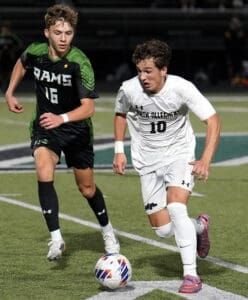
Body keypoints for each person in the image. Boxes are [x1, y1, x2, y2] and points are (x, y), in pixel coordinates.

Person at [5, 4, 119, 261]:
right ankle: (56, 239)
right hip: (46, 125)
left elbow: (88, 108)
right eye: (58, 32)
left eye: (68, 32)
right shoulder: (36, 52)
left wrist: (62, 118)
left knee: (87, 188)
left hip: (76, 129)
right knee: (44, 168)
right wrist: (10, 92)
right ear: (47, 33)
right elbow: (22, 63)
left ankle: (108, 231)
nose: (64, 38)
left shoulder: (79, 62)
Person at [113, 39, 220, 293]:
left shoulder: (182, 88)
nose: (143, 77)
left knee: (175, 206)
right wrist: (119, 150)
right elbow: (120, 114)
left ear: (164, 70)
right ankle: (199, 227)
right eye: (139, 71)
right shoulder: (128, 89)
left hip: (178, 155)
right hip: (146, 161)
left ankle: (191, 275)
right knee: (162, 230)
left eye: (148, 71)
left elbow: (213, 120)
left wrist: (205, 158)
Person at [0, 21, 23, 92]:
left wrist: (13, 51)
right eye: (4, 29)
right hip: (1, 59)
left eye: (6, 29)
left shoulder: (12, 37)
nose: (5, 30)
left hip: (9, 59)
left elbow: (20, 45)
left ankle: (8, 90)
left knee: (10, 75)